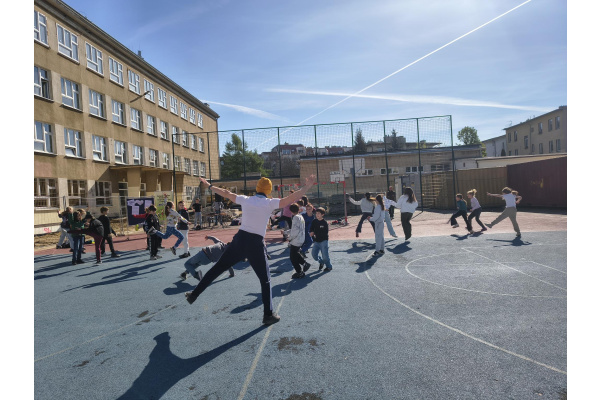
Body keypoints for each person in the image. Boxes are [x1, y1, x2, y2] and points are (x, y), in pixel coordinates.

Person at [185, 174, 316, 326]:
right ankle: (268, 315)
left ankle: (194, 294)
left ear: (257, 188)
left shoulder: (246, 199)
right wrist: (307, 186)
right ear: (268, 190)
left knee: (217, 269)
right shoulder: (269, 203)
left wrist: (209, 185)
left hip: (240, 240)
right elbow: (291, 198)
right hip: (255, 244)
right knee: (265, 280)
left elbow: (226, 193)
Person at [288, 203, 311, 279]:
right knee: (295, 254)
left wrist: (290, 238)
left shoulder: (295, 218)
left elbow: (295, 230)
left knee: (292, 257)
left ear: (291, 211)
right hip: (301, 238)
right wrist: (286, 232)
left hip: (296, 240)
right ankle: (304, 264)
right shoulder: (301, 216)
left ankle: (299, 272)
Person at [310, 207, 332, 271]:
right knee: (314, 255)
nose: (317, 214)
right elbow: (311, 228)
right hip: (316, 241)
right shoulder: (314, 221)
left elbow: (325, 233)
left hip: (323, 241)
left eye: (319, 213)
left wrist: (315, 233)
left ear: (322, 214)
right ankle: (321, 262)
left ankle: (329, 266)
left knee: (325, 256)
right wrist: (311, 232)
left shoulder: (324, 223)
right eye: (316, 213)